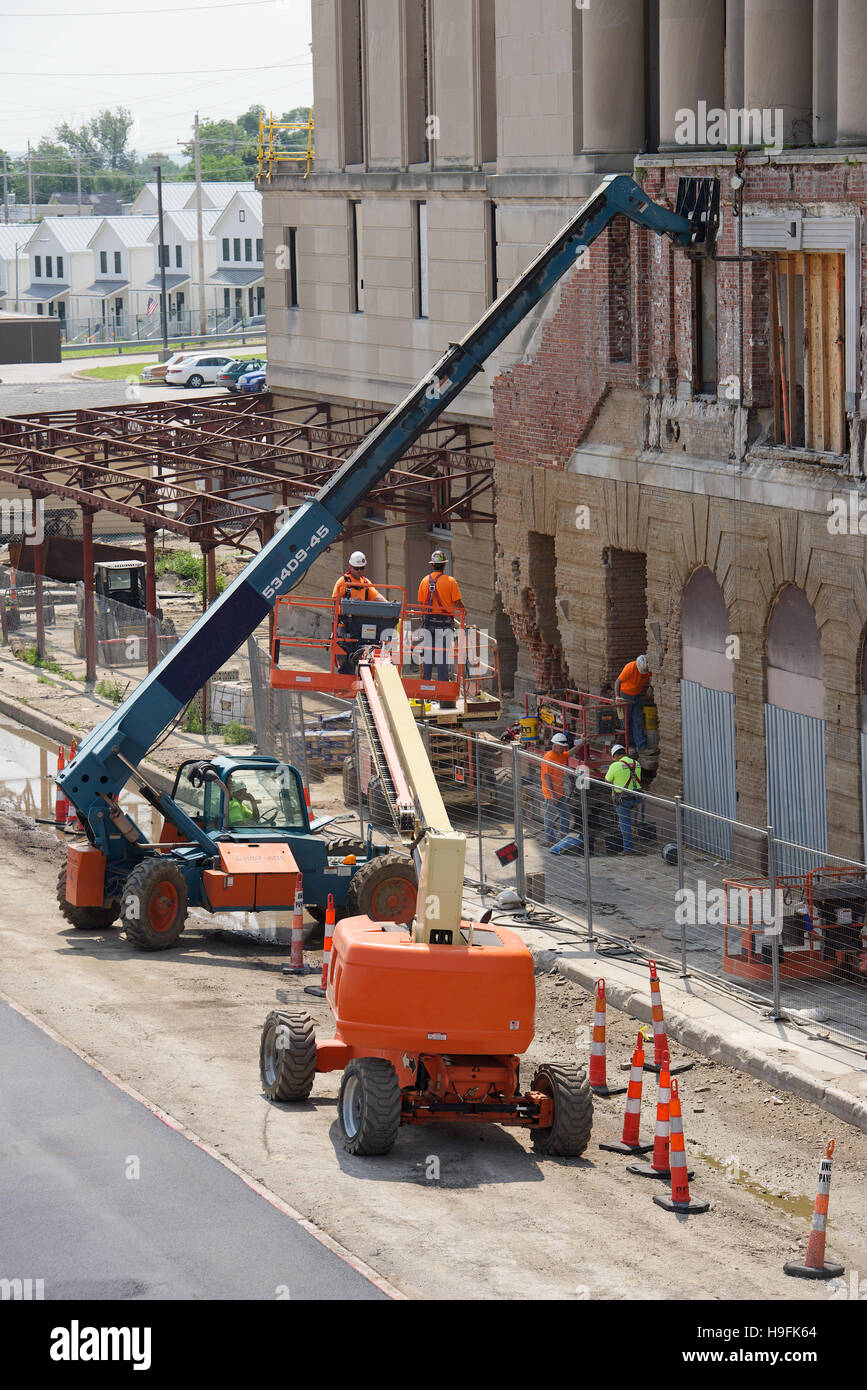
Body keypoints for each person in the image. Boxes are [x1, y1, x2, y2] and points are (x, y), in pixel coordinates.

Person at [417, 550, 466, 705]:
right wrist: (464, 611)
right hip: (444, 624)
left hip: (428, 623)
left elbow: (421, 601)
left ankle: (425, 692)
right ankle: (443, 693)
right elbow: (457, 602)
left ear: (432, 565)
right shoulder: (451, 581)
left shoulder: (425, 581)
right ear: (444, 565)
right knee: (443, 657)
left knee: (427, 657)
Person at [331, 551, 385, 673]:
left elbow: (376, 596)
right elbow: (335, 599)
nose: (359, 571)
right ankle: (344, 674)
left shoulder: (365, 583)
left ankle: (361, 673)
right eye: (357, 568)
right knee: (345, 651)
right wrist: (350, 600)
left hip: (360, 623)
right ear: (350, 567)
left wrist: (389, 604)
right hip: (344, 623)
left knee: (363, 649)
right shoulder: (343, 582)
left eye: (362, 568)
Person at [605, 744, 642, 854]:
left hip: (623, 799)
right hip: (637, 797)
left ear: (615, 755)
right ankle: (641, 840)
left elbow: (607, 780)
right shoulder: (637, 763)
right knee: (633, 821)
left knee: (624, 824)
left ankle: (628, 849)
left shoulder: (615, 765)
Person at [614, 653, 652, 753]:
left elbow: (652, 677)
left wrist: (650, 687)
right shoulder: (630, 667)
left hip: (636, 696)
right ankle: (631, 746)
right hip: (624, 696)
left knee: (638, 721)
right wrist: (617, 697)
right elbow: (617, 682)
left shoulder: (648, 667)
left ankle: (642, 747)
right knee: (627, 722)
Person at [541, 732, 573, 845]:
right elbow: (546, 777)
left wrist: (582, 744)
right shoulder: (548, 758)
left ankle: (563, 836)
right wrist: (553, 794)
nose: (563, 749)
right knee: (549, 817)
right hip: (551, 794)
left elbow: (569, 753)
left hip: (560, 793)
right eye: (561, 747)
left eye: (564, 747)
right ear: (554, 745)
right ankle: (550, 840)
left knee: (566, 814)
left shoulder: (561, 754)